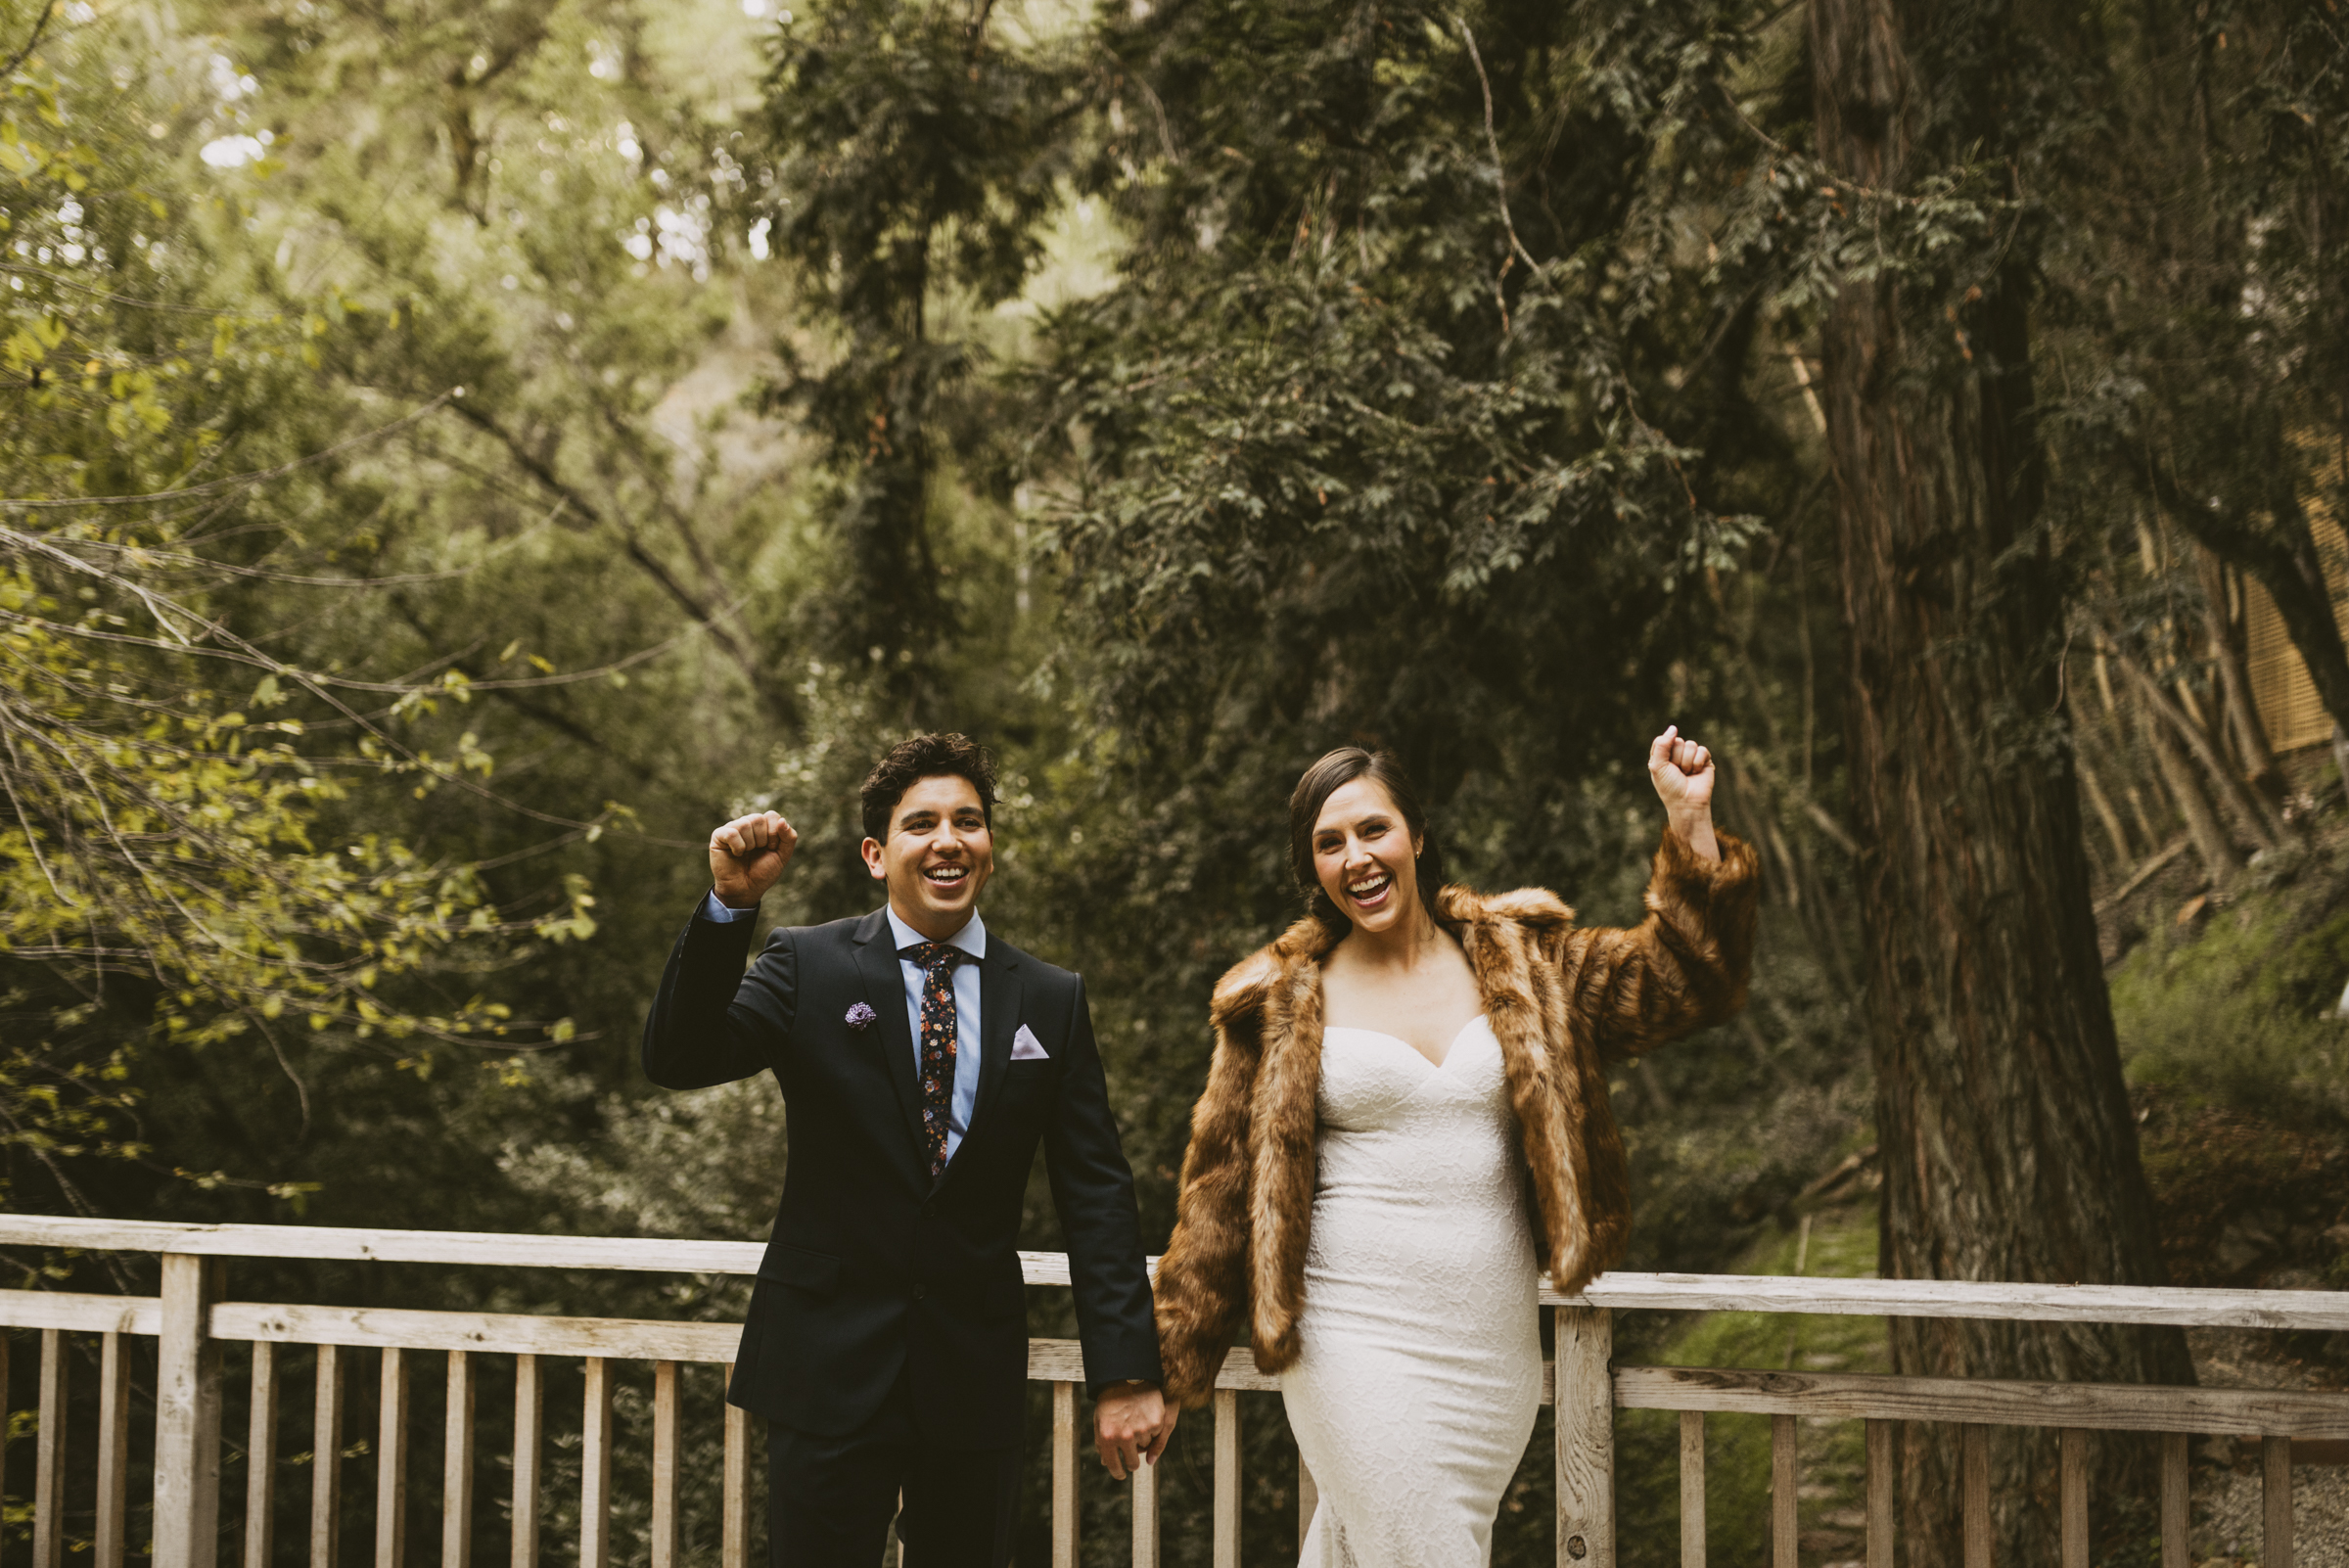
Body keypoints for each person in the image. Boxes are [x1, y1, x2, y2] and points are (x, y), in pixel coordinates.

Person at [1149, 729, 1759, 1566]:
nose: (1356, 858)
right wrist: (1166, 1367)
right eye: (1329, 844)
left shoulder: (1525, 962)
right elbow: (1218, 1197)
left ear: (1417, 835)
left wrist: (1690, 825)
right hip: (1347, 1337)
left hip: (1487, 1353)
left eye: (1373, 830)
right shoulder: (1282, 1004)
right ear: (1312, 869)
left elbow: (1684, 984)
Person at [641, 732, 1173, 1568]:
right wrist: (729, 908)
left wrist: (1126, 1371)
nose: (947, 840)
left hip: (973, 1374)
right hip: (824, 1367)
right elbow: (678, 1058)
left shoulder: (1049, 998)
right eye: (921, 823)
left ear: (989, 849)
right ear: (876, 852)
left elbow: (1097, 1194)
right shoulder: (804, 963)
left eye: (968, 821)